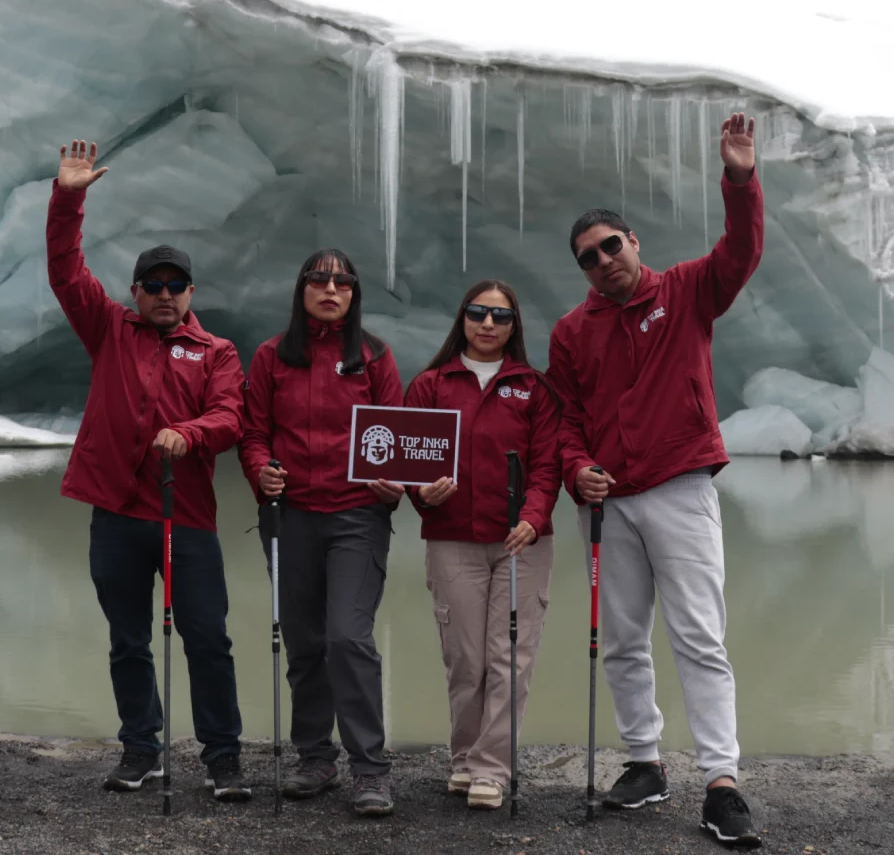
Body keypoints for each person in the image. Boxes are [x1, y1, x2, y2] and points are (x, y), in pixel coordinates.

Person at [544, 113, 764, 848]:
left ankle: (721, 781)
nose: (604, 260)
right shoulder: (574, 332)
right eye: (589, 256)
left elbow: (741, 252)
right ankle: (644, 761)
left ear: (634, 242)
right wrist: (577, 469)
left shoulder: (689, 291)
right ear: (580, 269)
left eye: (612, 245)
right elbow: (566, 416)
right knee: (624, 638)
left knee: (699, 635)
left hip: (679, 486)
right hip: (609, 503)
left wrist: (739, 177)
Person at [46, 139, 250, 802]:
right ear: (136, 293)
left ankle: (223, 758)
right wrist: (69, 196)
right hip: (118, 514)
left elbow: (230, 418)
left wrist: (187, 435)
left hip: (185, 519)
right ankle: (142, 752)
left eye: (175, 286)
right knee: (129, 641)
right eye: (153, 286)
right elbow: (64, 269)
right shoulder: (108, 328)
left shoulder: (216, 352)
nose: (164, 295)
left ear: (191, 293)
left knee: (208, 642)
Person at [238, 250, 406, 817]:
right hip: (290, 516)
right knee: (305, 640)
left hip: (357, 516)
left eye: (343, 281)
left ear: (355, 293)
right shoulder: (271, 357)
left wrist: (394, 482)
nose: (330, 288)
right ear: (301, 289)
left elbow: (398, 435)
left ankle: (370, 769)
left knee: (347, 637)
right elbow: (253, 431)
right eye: (319, 279)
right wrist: (260, 471)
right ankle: (316, 757)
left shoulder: (374, 357)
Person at [401, 280, 561, 811]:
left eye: (500, 316)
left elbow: (546, 466)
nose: (487, 324)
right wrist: (421, 494)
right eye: (477, 313)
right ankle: (464, 758)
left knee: (509, 657)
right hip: (453, 540)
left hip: (521, 544)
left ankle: (492, 767)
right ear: (462, 319)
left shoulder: (534, 388)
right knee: (465, 659)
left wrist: (534, 518)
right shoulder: (430, 385)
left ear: (515, 326)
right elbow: (409, 464)